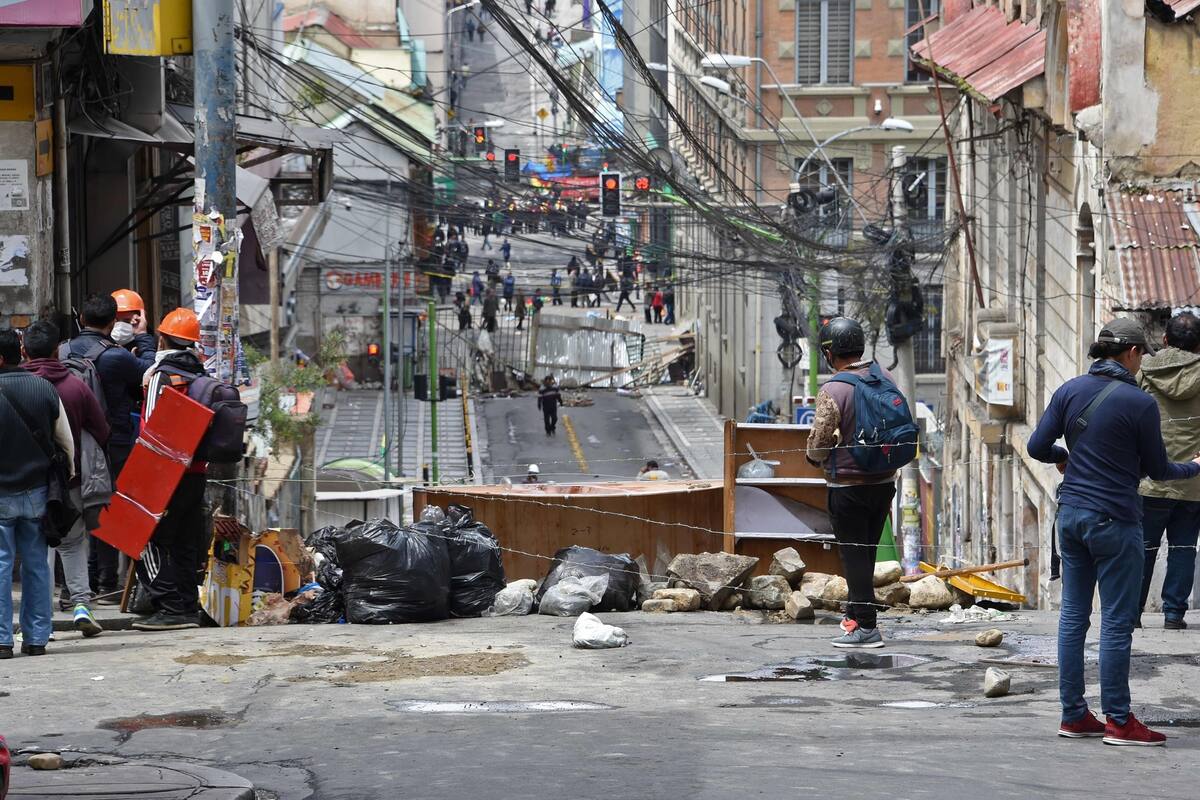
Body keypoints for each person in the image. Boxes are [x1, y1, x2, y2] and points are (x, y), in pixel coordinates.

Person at [1029, 318, 1200, 746]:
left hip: (1070, 516)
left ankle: (1073, 715)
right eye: (1142, 356)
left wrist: (1064, 455)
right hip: (1115, 520)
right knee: (1116, 624)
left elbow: (1036, 447)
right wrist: (1195, 467)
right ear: (1132, 354)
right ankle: (1119, 721)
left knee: (1073, 617)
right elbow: (1159, 471)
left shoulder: (1069, 390)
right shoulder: (1138, 402)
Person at [805, 317, 901, 650]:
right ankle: (855, 618)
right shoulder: (884, 377)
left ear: (830, 353)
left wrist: (813, 458)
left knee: (853, 557)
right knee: (867, 553)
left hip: (847, 488)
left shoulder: (833, 390)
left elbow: (818, 444)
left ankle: (868, 629)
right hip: (885, 483)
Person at [22, 321, 109, 638]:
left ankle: (42, 618)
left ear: (24, 350)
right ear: (57, 348)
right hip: (70, 480)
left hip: (27, 484)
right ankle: (81, 605)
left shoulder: (19, 385)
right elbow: (102, 429)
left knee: (38, 550)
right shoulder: (75, 386)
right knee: (73, 544)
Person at [66, 293, 153, 603]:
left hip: (69, 442)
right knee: (105, 509)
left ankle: (74, 586)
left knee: (71, 509)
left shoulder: (63, 351)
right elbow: (151, 371)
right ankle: (106, 584)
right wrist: (143, 337)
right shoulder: (117, 357)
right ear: (113, 321)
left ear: (81, 320)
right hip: (111, 442)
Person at [132, 308, 210, 631]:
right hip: (197, 474)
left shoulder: (162, 375)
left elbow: (150, 428)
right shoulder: (202, 376)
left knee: (143, 539)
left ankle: (169, 607)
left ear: (162, 338)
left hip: (166, 474)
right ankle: (188, 606)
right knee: (184, 542)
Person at [0, 329, 75, 658]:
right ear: (20, 352)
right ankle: (36, 638)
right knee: (36, 565)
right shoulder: (44, 388)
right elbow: (66, 442)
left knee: (0, 566)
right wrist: (67, 479)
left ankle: (2, 641)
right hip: (37, 491)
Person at [1135, 312, 1200, 630]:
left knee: (1143, 548)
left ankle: (1132, 613)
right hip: (1193, 480)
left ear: (1165, 339)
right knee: (1184, 547)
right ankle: (1174, 614)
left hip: (1152, 477)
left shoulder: (1144, 370)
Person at [111, 289, 157, 359]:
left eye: (127, 321)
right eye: (116, 320)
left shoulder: (150, 343)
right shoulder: (100, 342)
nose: (120, 326)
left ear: (141, 317)